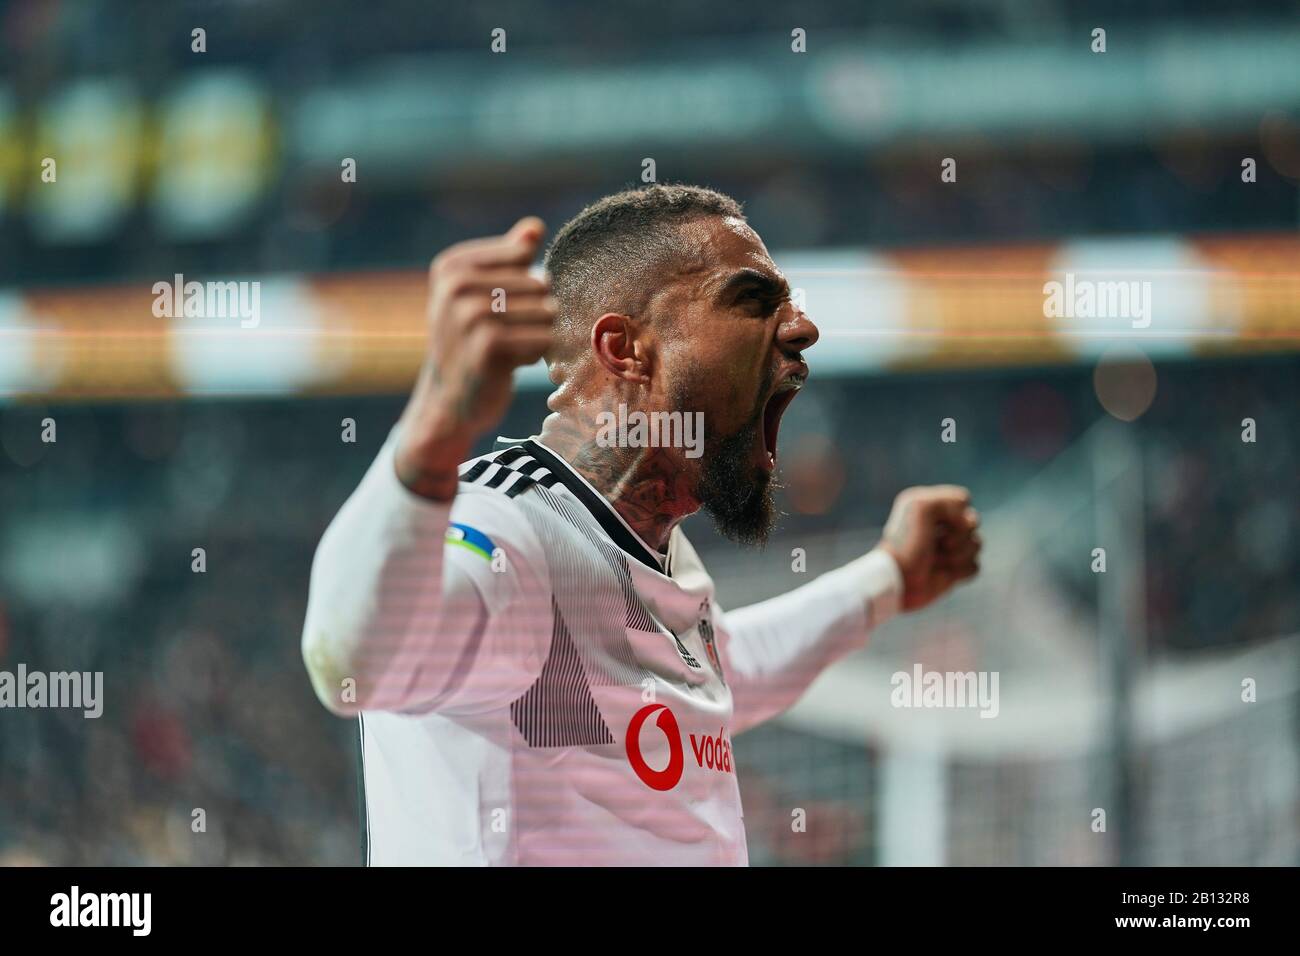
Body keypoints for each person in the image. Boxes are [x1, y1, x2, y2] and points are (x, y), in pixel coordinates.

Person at [301, 184, 981, 865]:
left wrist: (890, 575)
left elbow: (719, 675)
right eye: (752, 301)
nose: (802, 329)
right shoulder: (510, 530)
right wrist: (431, 428)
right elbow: (356, 664)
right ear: (626, 349)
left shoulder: (660, 552)